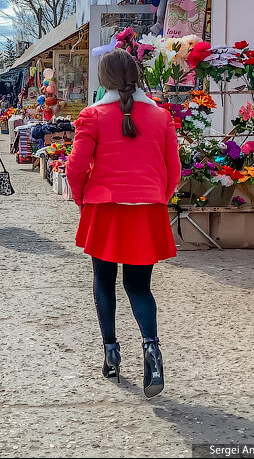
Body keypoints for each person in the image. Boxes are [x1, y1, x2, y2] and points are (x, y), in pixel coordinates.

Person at [66, 49, 180, 398]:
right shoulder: (161, 117)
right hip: (146, 209)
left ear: (105, 80)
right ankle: (152, 350)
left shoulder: (93, 115)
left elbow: (75, 166)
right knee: (140, 287)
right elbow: (174, 170)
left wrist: (81, 197)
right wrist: (156, 194)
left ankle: (112, 354)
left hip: (105, 208)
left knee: (104, 281)